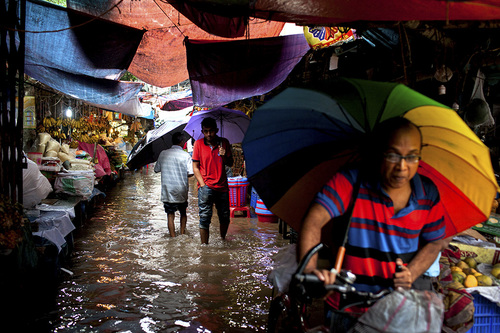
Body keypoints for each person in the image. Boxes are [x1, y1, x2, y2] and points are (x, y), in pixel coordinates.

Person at [298, 117, 447, 331]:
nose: (402, 167)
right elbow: (314, 220)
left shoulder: (428, 193)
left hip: (396, 310)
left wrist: (411, 273)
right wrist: (310, 271)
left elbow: (434, 242)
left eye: (412, 157)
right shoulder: (351, 181)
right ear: (378, 152)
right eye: (393, 155)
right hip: (347, 306)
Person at [192, 117, 234, 244]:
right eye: (206, 131)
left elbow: (230, 163)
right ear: (202, 131)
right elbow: (195, 168)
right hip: (206, 187)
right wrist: (203, 185)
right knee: (204, 218)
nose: (209, 134)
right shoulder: (198, 144)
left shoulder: (224, 143)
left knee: (225, 217)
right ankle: (204, 246)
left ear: (216, 130)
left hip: (222, 187)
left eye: (211, 131)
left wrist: (224, 155)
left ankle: (222, 240)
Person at [154, 132, 193, 237]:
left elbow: (156, 169)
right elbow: (190, 173)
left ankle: (172, 237)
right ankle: (182, 233)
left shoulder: (163, 153)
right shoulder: (186, 156)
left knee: (170, 215)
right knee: (183, 213)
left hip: (168, 190)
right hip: (181, 190)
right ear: (182, 142)